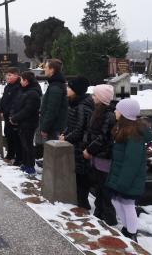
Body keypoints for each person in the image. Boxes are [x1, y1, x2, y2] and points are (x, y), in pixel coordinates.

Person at [106, 98, 152, 243]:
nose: (115, 111)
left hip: (128, 178)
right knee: (116, 200)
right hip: (120, 175)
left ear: (125, 114)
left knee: (127, 204)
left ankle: (132, 233)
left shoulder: (134, 135)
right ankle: (126, 228)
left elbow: (132, 162)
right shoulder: (123, 128)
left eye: (117, 109)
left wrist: (123, 183)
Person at [83, 84, 117, 225]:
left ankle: (109, 218)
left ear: (102, 98)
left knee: (104, 189)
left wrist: (89, 150)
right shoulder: (97, 111)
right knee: (99, 187)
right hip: (96, 156)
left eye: (95, 95)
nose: (92, 97)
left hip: (104, 156)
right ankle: (99, 212)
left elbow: (103, 138)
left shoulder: (108, 115)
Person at [60, 76, 94, 210]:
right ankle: (79, 201)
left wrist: (66, 138)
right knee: (78, 176)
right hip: (76, 145)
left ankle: (82, 205)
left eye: (69, 87)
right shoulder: (75, 103)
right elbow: (72, 125)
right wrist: (65, 132)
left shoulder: (82, 106)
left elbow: (79, 130)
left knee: (81, 177)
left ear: (76, 90)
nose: (67, 89)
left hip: (80, 147)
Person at [10, 71, 42, 175]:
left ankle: (30, 166)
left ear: (26, 81)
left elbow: (28, 110)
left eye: (22, 80)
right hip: (23, 122)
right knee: (24, 144)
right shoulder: (25, 91)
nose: (20, 82)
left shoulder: (32, 93)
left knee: (28, 145)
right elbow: (18, 105)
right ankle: (25, 163)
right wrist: (14, 116)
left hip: (28, 123)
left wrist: (15, 118)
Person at [39, 59, 68, 141]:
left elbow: (52, 110)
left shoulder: (55, 87)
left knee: (53, 152)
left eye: (46, 67)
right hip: (53, 127)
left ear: (52, 70)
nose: (44, 69)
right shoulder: (55, 84)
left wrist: (45, 128)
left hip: (54, 128)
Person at [0, 67, 23, 164]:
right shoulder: (8, 86)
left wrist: (9, 112)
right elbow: (4, 99)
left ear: (17, 75)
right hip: (7, 115)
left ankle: (17, 157)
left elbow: (15, 103)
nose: (7, 77)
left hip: (14, 116)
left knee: (15, 137)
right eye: (7, 75)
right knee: (8, 134)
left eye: (10, 75)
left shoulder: (18, 87)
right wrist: (0, 109)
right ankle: (10, 154)